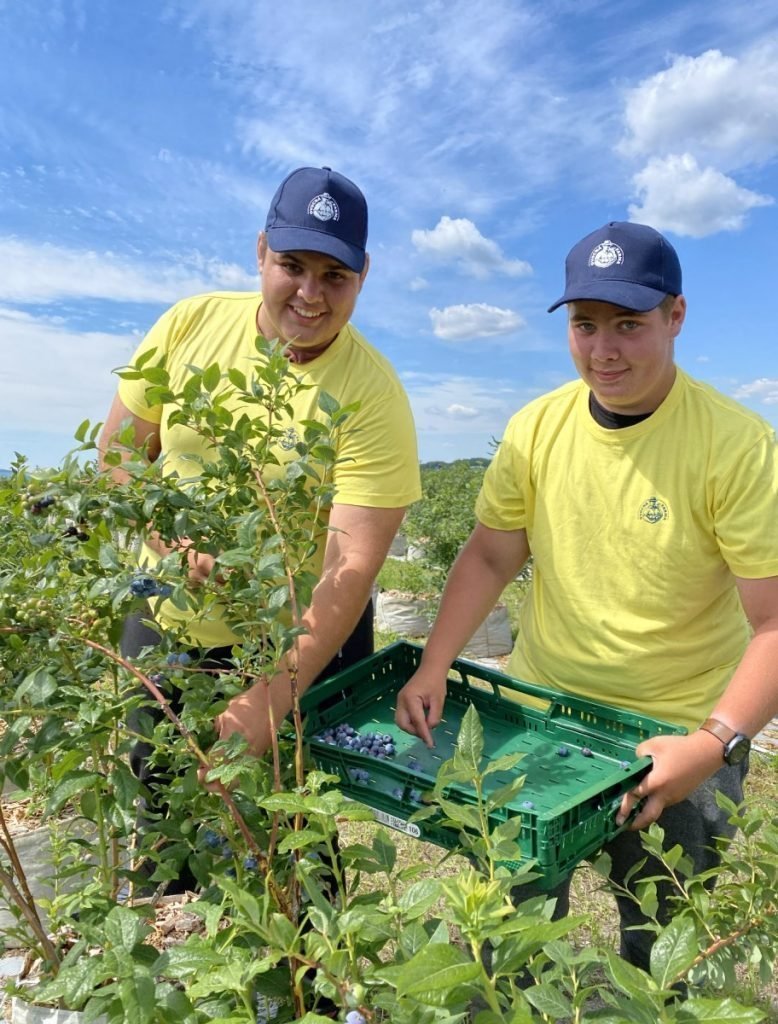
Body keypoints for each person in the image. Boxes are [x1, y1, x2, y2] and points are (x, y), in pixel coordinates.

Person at [395, 220, 778, 974]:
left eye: (629, 325)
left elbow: (773, 620)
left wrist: (712, 746)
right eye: (584, 324)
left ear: (676, 316)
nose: (603, 349)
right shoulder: (537, 430)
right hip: (543, 720)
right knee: (511, 935)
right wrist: (434, 662)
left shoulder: (735, 446)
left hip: (672, 736)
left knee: (663, 954)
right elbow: (491, 552)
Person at [98, 166, 421, 883]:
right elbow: (119, 454)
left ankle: (311, 986)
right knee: (163, 810)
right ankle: (176, 945)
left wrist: (270, 698)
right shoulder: (190, 324)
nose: (310, 293)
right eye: (293, 266)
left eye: (335, 275)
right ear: (260, 252)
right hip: (167, 623)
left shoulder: (371, 395)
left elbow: (349, 570)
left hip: (300, 638)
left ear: (364, 275)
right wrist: (168, 543)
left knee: (289, 835)